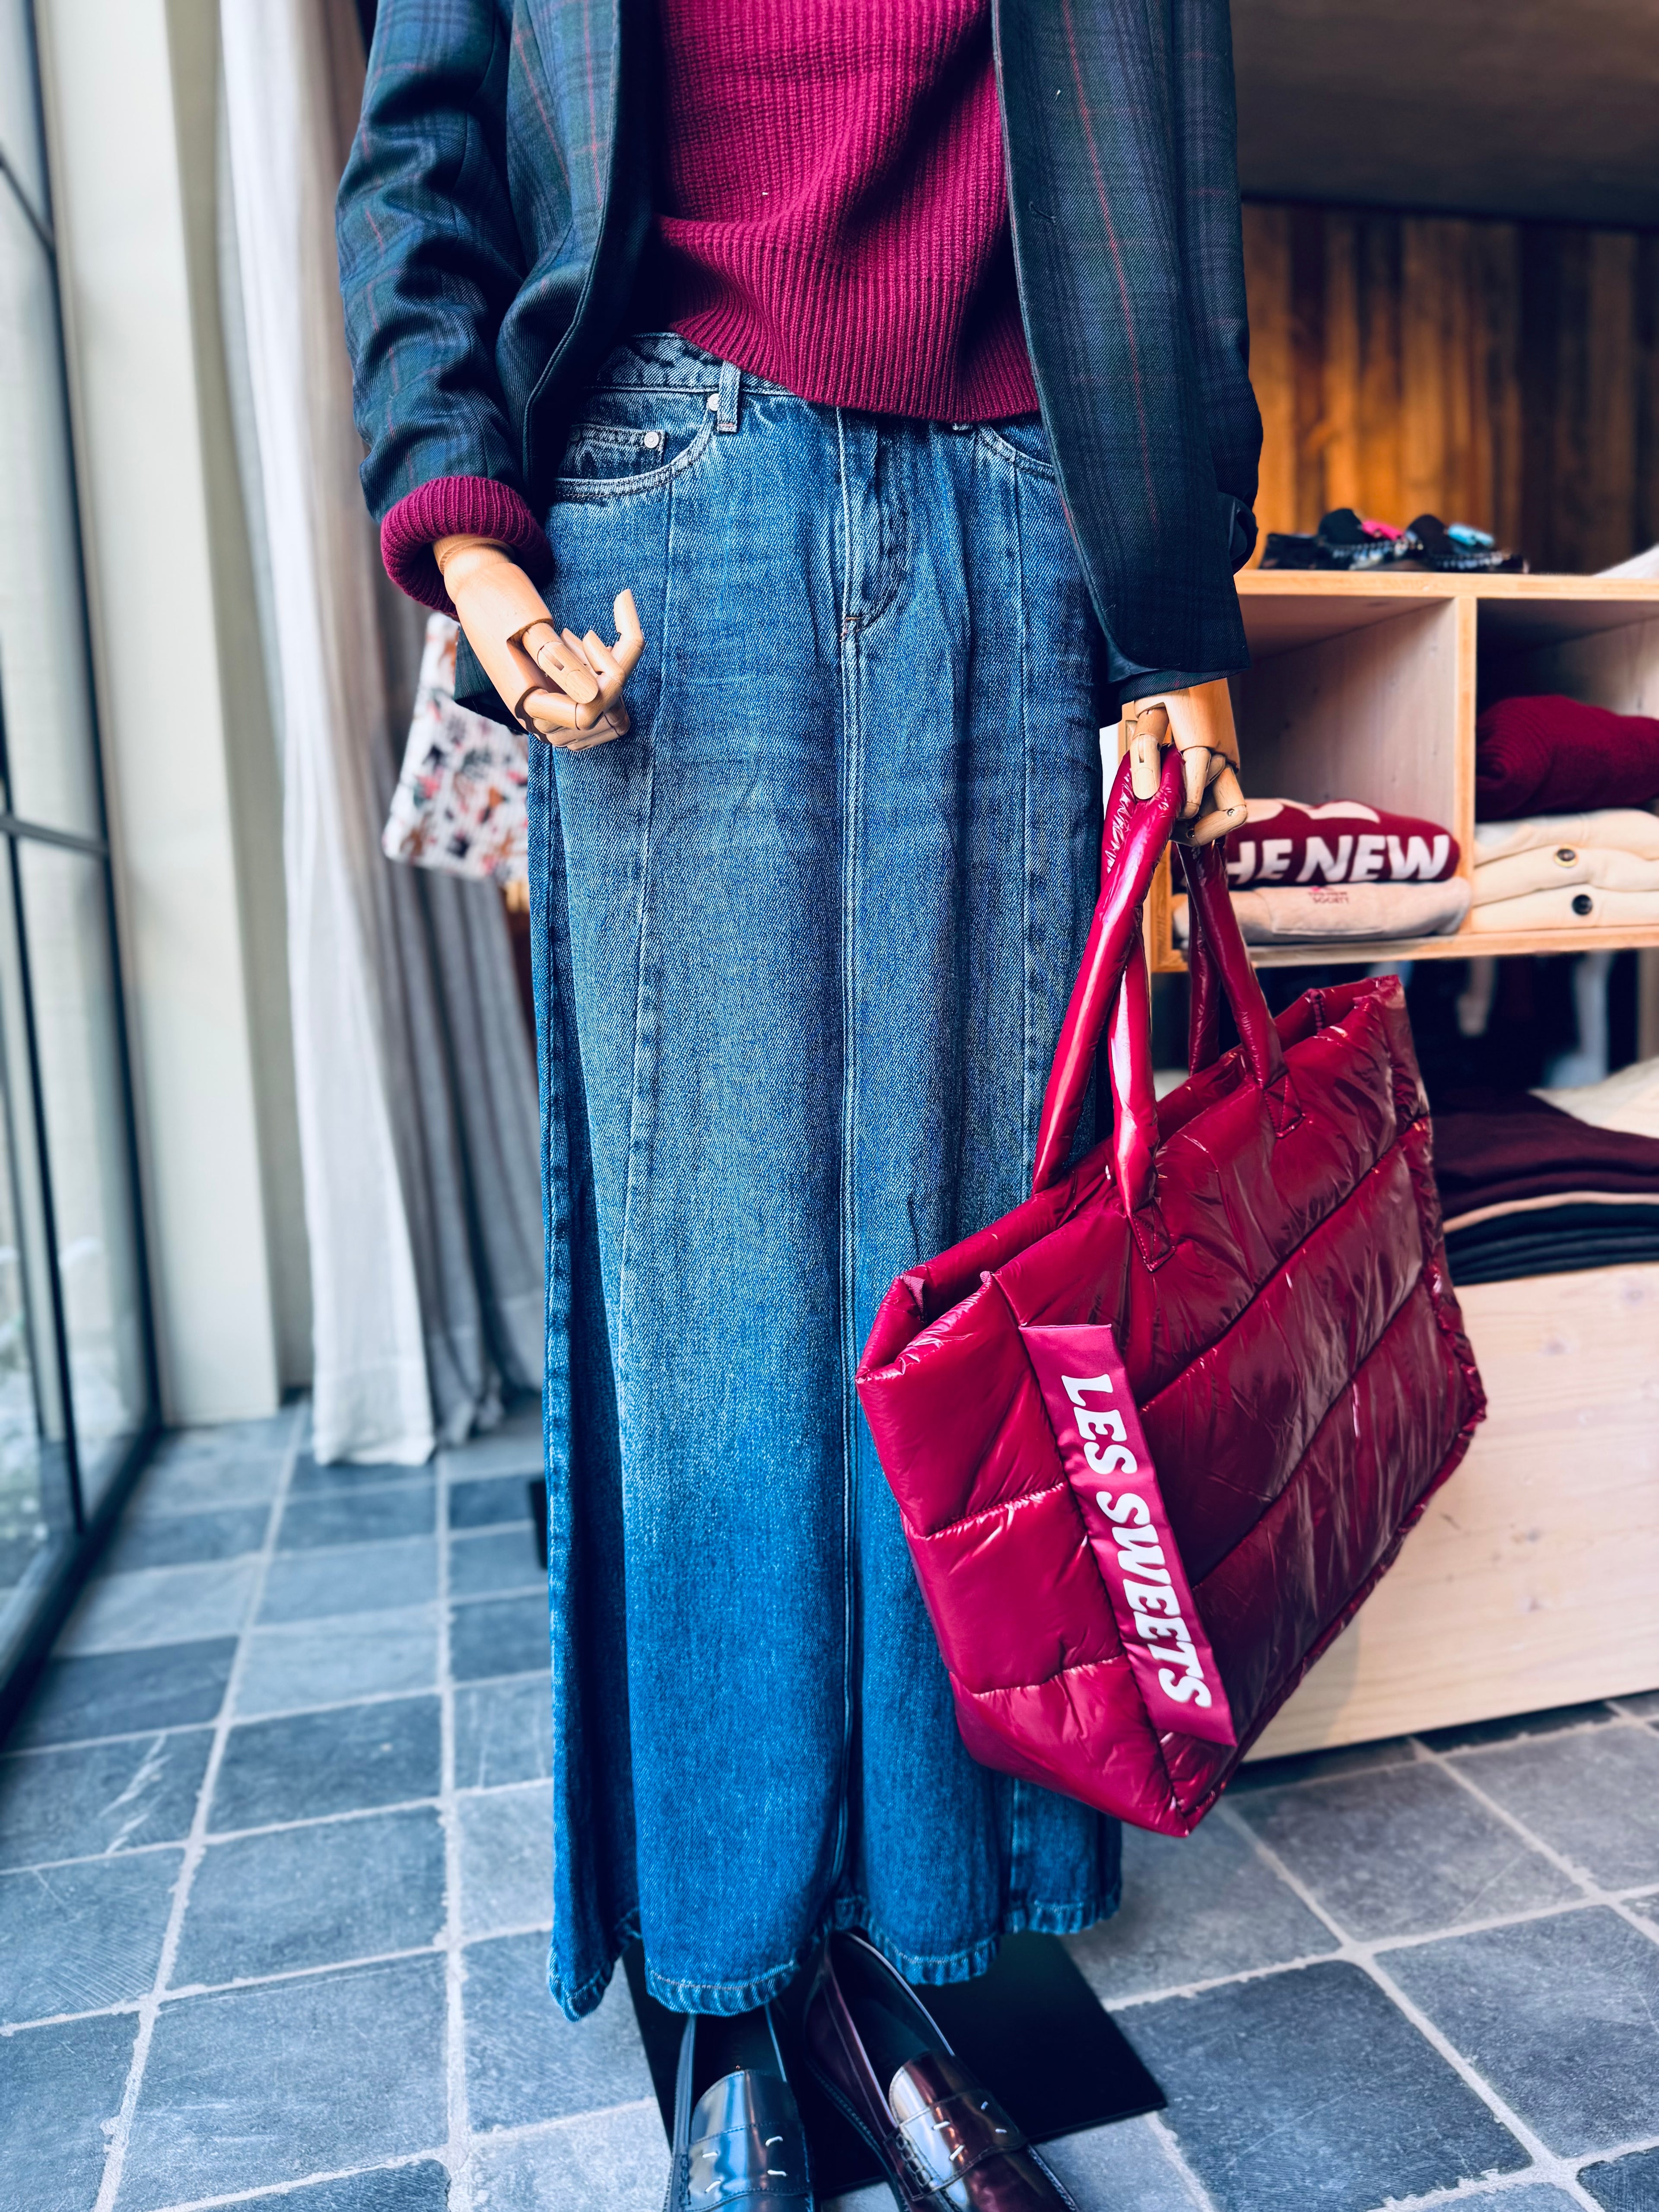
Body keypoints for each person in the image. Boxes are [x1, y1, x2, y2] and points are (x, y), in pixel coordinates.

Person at [338, 4, 1259, 2201]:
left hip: (1038, 500)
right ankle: (744, 2003)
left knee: (963, 1302)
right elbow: (427, 153)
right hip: (671, 488)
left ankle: (903, 1981)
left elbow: (1174, 145)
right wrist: (467, 529)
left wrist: (1171, 596)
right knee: (721, 1320)